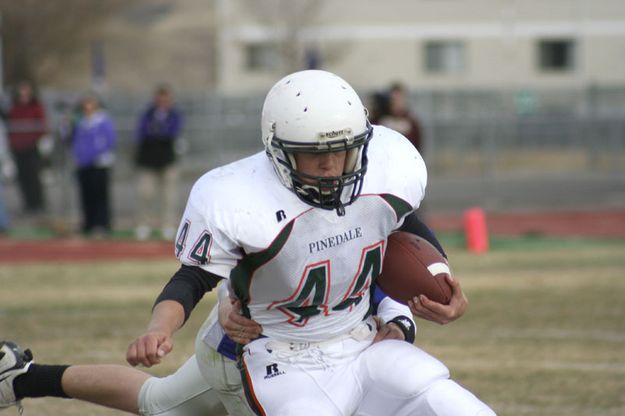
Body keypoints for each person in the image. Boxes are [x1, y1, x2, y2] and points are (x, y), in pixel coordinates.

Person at [126, 70, 494, 415]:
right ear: (278, 149)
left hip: (359, 340)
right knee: (158, 401)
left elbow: (404, 224)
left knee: (455, 404)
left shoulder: (385, 171)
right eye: (314, 154)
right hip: (279, 358)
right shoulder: (239, 197)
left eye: (342, 151)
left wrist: (441, 277)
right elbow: (192, 279)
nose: (331, 167)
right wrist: (160, 329)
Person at [1, 283, 418, 415]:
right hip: (251, 353)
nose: (329, 165)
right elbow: (211, 271)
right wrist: (220, 302)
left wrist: (401, 321)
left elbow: (386, 269)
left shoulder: (363, 197)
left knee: (157, 400)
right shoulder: (266, 198)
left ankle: (23, 377)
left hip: (324, 353)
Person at [134, 85, 184, 241]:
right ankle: (144, 224)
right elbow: (143, 132)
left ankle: (168, 225)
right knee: (145, 194)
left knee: (169, 196)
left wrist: (158, 132)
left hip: (168, 160)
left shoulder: (174, 115)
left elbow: (172, 132)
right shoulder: (147, 115)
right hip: (148, 161)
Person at [71, 93, 117, 237]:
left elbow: (109, 141)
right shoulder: (81, 123)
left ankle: (102, 224)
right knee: (86, 195)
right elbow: (76, 141)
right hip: (84, 164)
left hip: (100, 164)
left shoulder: (103, 122)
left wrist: (95, 154)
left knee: (100, 195)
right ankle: (88, 223)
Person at [6, 81, 48, 216]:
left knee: (33, 175)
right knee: (23, 176)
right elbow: (9, 122)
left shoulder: (36, 107)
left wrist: (35, 138)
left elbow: (42, 124)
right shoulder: (14, 108)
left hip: (31, 146)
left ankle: (38, 203)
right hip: (18, 147)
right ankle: (28, 203)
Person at [377, 82, 424, 154]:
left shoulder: (412, 122)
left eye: (399, 99)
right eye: (393, 99)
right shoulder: (379, 119)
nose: (396, 102)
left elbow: (418, 146)